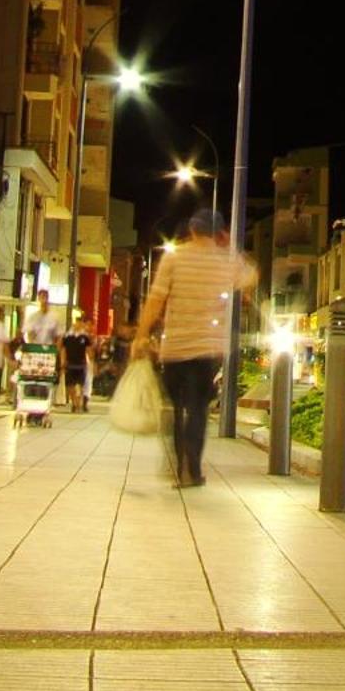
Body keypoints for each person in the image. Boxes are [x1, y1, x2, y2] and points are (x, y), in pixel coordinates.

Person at [133, 209, 256, 488]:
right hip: (208, 348)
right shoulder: (227, 260)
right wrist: (229, 247)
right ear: (219, 232)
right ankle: (194, 468)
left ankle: (180, 465)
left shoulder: (175, 257)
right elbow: (252, 276)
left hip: (175, 347)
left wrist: (140, 335)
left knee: (177, 409)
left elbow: (155, 299)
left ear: (192, 230)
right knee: (198, 409)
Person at [60, 310, 93, 413]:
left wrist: (91, 362)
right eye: (77, 322)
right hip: (70, 363)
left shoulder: (85, 337)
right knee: (70, 385)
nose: (79, 324)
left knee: (80, 384)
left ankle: (78, 402)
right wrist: (63, 361)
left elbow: (88, 350)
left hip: (81, 363)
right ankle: (74, 403)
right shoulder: (67, 336)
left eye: (81, 322)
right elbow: (63, 349)